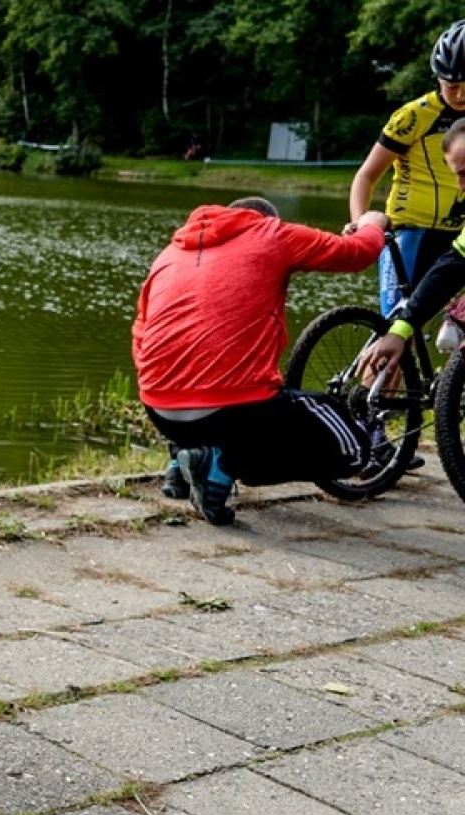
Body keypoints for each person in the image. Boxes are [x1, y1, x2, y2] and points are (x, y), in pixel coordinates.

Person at [131, 197, 388, 526]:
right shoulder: (272, 233)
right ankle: (221, 464)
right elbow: (356, 253)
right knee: (355, 450)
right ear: (267, 218)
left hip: (159, 408)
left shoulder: (168, 254)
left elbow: (140, 335)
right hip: (234, 409)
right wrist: (371, 223)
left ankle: (187, 455)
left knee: (226, 408)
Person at [347, 21, 465, 316]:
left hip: (457, 235)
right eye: (453, 87)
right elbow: (367, 175)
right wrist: (359, 221)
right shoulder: (414, 116)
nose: (461, 95)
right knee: (394, 324)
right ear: (438, 78)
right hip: (410, 232)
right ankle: (380, 363)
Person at [357, 119, 465, 383]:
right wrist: (400, 330)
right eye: (457, 175)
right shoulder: (414, 115)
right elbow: (452, 268)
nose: (461, 186)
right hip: (412, 230)